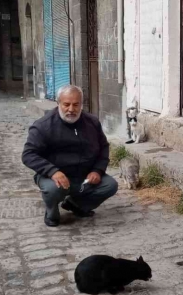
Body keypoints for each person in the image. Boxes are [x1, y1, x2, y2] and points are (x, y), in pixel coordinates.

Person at [21, 85, 118, 227]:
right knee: (53, 190)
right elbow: (28, 154)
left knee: (110, 185)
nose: (71, 109)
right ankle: (51, 212)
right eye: (66, 104)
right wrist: (52, 171)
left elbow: (104, 147)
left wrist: (97, 170)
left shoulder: (92, 122)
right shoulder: (43, 126)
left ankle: (76, 205)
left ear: (81, 105)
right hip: (55, 177)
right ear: (58, 103)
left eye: (76, 105)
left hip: (84, 176)